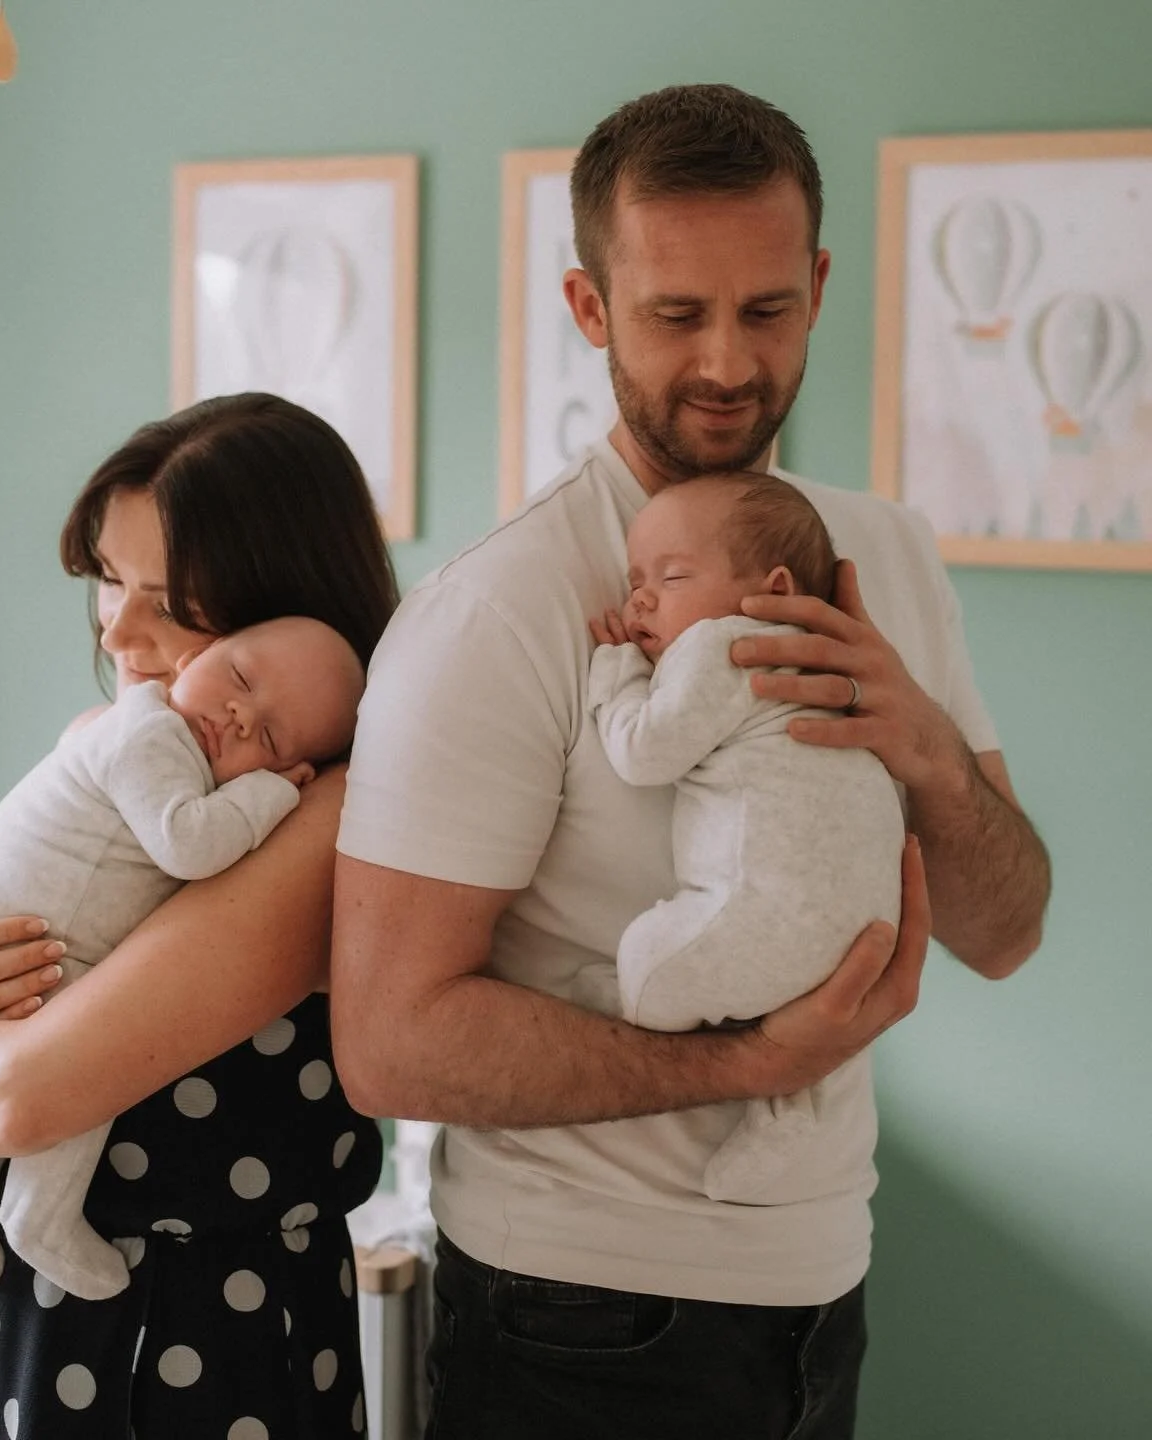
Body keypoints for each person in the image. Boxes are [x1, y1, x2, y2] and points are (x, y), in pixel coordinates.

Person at [332, 83, 1050, 1439]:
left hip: (823, 1289)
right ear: (590, 306)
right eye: (675, 315)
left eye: (766, 309)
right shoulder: (499, 611)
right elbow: (389, 1044)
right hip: (571, 1316)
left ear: (819, 288)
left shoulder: (889, 556)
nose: (726, 362)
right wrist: (744, 1066)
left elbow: (1005, 935)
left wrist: (929, 751)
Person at [0, 393, 399, 1439]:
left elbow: (18, 1098)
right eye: (109, 577)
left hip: (189, 1322)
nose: (116, 628)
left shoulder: (318, 816)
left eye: (172, 601)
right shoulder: (125, 749)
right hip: (16, 1296)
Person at [0, 615, 365, 1302]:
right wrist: (272, 788)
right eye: (240, 678)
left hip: (32, 942)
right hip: (29, 943)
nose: (240, 716)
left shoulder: (167, 744)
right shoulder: (147, 733)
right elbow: (187, 844)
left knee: (72, 1048)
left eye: (270, 739)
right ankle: (39, 1214)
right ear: (197, 655)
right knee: (88, 1064)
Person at [586, 472, 903, 1202]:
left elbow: (643, 752)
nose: (642, 600)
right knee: (766, 998)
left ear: (774, 590)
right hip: (858, 925)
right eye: (636, 582)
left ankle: (628, 1007)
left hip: (768, 910)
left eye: (672, 577)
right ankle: (786, 1104)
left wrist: (617, 672)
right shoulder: (826, 658)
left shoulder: (728, 643)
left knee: (648, 965)